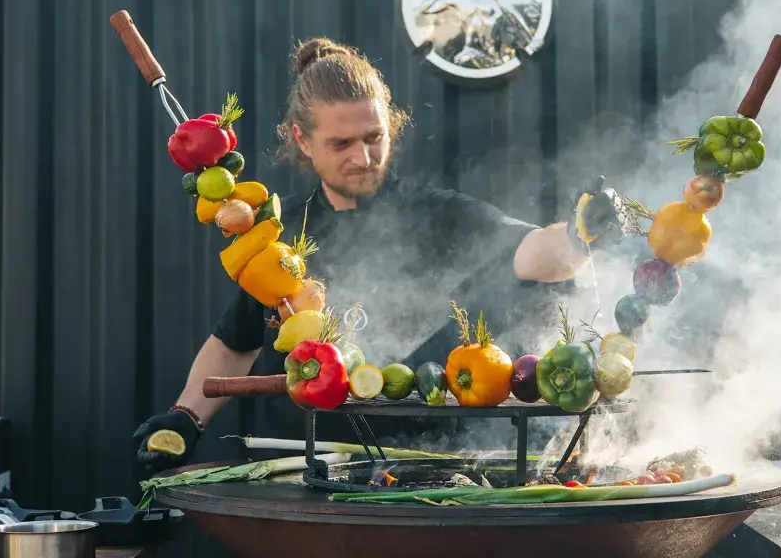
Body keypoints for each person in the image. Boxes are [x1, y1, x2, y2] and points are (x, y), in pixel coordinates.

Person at [134, 38, 629, 473]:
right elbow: (234, 343)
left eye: (375, 138)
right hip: (323, 471)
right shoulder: (282, 239)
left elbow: (536, 254)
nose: (363, 158)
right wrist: (186, 418)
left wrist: (581, 233)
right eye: (341, 143)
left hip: (442, 471)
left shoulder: (441, 214)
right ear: (303, 140)